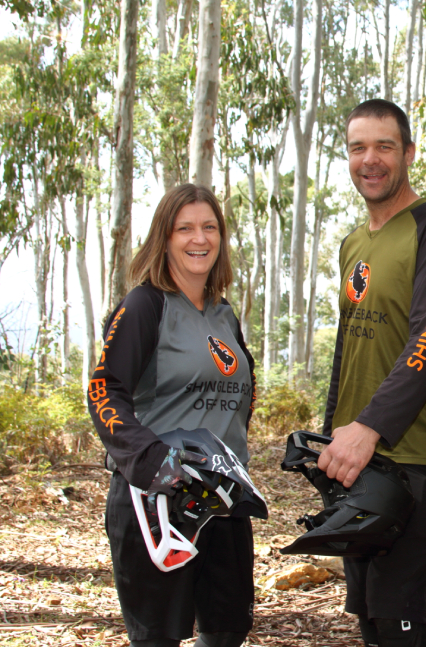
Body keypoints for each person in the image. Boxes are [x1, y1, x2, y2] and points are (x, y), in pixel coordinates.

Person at [318, 99, 426, 647]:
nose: (371, 159)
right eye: (358, 147)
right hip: (352, 455)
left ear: (407, 153)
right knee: (368, 616)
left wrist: (370, 428)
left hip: (413, 455)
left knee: (399, 617)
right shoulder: (353, 244)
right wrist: (332, 428)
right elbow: (348, 343)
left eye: (384, 146)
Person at [87, 184, 258, 647]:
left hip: (221, 501)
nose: (198, 238)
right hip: (156, 503)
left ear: (220, 238)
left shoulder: (225, 316)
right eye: (184, 228)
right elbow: (104, 389)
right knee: (159, 637)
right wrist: (152, 461)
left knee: (227, 631)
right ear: (164, 239)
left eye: (209, 227)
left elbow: (239, 399)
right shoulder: (145, 305)